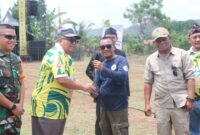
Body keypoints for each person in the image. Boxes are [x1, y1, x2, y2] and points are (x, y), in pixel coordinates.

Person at [31, 28, 96, 135]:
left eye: (76, 41)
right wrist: (84, 87)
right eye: (71, 40)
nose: (74, 43)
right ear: (61, 40)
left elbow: (71, 78)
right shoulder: (56, 54)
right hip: (48, 107)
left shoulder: (66, 57)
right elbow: (62, 79)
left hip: (57, 107)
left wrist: (88, 88)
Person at [144, 27, 195, 135]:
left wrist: (190, 99)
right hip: (161, 104)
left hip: (181, 104)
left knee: (183, 133)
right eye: (158, 40)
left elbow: (190, 77)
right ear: (154, 43)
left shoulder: (182, 54)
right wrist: (147, 104)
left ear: (169, 38)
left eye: (164, 39)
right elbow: (148, 82)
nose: (162, 42)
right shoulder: (150, 59)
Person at [85, 27, 129, 135]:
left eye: (108, 46)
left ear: (113, 47)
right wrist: (94, 92)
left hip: (118, 107)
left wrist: (103, 69)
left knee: (119, 131)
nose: (105, 49)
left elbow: (123, 76)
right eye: (102, 47)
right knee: (103, 130)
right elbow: (98, 84)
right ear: (100, 50)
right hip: (104, 107)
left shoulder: (121, 60)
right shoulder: (102, 64)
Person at [0, 23, 25, 135]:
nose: (13, 40)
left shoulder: (16, 59)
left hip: (14, 118)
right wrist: (13, 106)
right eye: (8, 37)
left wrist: (20, 107)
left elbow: (22, 83)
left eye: (14, 37)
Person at [187, 24, 200, 135]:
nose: (198, 39)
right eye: (195, 37)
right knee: (193, 130)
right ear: (189, 40)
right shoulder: (184, 56)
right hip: (193, 100)